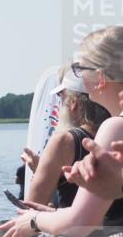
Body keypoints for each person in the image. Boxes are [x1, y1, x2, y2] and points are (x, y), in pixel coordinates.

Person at [0, 26, 123, 237]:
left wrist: (33, 221)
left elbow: (80, 224)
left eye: (80, 68)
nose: (77, 73)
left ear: (100, 78)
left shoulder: (116, 127)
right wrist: (57, 214)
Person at [20, 66, 109, 207]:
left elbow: (31, 208)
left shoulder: (64, 142)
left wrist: (42, 172)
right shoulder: (121, 131)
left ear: (73, 102)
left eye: (61, 97)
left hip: (75, 227)